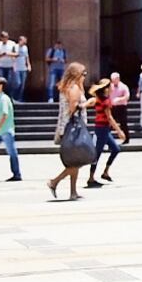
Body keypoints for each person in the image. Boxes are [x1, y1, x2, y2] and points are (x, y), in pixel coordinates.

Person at [47, 62, 90, 201]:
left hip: (67, 127)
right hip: (72, 128)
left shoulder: (69, 87)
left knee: (75, 160)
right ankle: (54, 181)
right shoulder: (73, 88)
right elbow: (73, 107)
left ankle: (73, 192)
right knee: (80, 160)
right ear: (76, 74)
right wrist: (88, 104)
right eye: (83, 74)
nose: (85, 77)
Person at [86, 79, 126, 188]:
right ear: (106, 88)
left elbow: (91, 102)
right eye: (111, 86)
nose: (113, 87)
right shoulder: (105, 101)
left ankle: (105, 172)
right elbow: (109, 118)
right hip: (102, 129)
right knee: (97, 154)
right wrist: (119, 131)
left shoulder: (99, 99)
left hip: (103, 129)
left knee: (116, 149)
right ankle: (91, 178)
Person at [109, 72, 131, 145]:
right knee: (110, 123)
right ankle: (107, 139)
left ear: (118, 79)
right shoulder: (110, 86)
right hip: (112, 107)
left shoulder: (123, 87)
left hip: (121, 107)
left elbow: (127, 97)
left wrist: (120, 99)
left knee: (123, 123)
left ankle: (126, 138)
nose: (113, 81)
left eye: (114, 79)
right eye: (112, 79)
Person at [12, 35, 32, 102]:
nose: (25, 42)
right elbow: (13, 56)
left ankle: (20, 98)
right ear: (20, 40)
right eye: (24, 41)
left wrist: (28, 65)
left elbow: (27, 57)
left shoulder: (25, 48)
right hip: (17, 68)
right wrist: (13, 65)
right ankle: (14, 97)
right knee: (18, 83)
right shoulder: (15, 46)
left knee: (22, 85)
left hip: (23, 68)